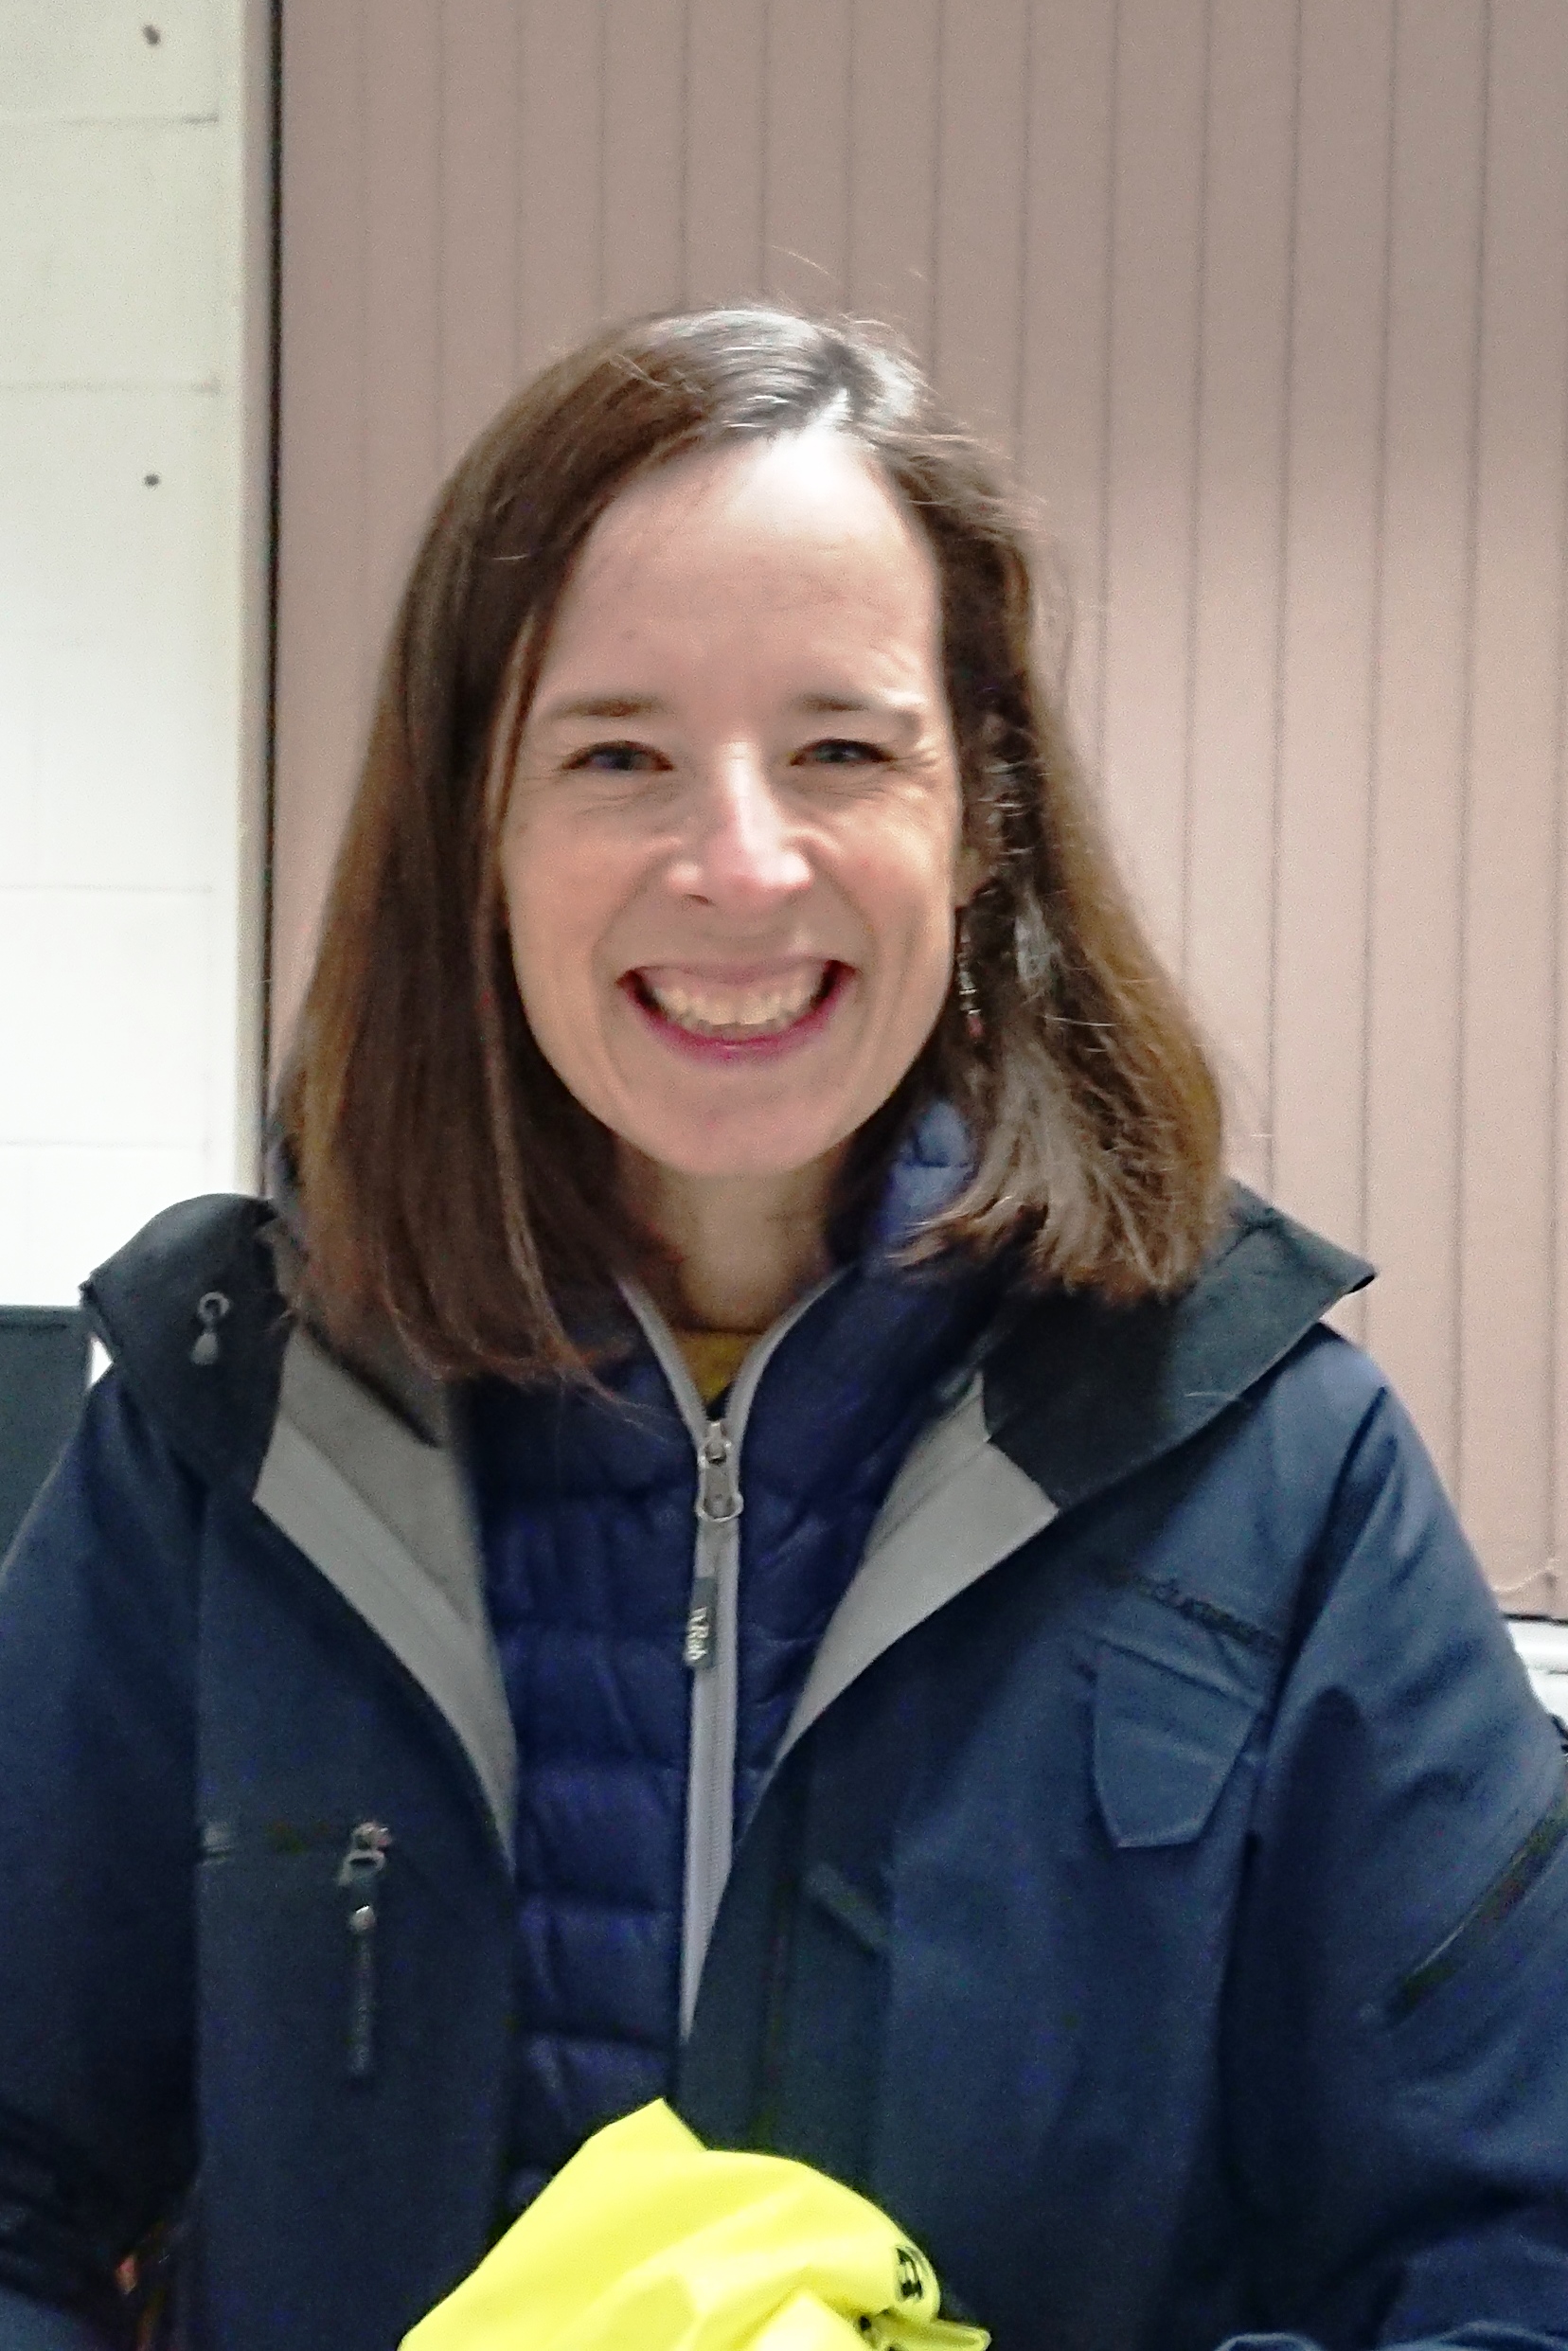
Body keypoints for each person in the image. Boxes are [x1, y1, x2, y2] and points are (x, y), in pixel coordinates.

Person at [1, 307, 1565, 2351]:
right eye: (617, 755)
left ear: (980, 812)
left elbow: (1506, 2261)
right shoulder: (231, 1427)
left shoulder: (1270, 1462)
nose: (738, 867)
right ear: (476, 828)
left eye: (840, 750)